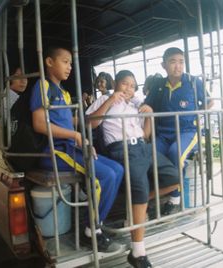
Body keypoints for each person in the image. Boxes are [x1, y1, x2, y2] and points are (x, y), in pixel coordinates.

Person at [30, 46, 123, 252]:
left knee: (117, 169)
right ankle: (92, 231)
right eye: (65, 61)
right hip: (54, 151)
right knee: (106, 176)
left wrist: (87, 120)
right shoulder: (43, 85)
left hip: (69, 148)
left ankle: (97, 223)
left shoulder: (63, 92)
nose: (69, 67)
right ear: (49, 62)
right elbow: (39, 123)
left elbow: (68, 121)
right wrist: (76, 135)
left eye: (71, 63)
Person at [86, 70, 180, 268]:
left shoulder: (135, 104)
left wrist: (148, 116)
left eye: (132, 85)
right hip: (123, 148)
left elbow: (146, 135)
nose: (129, 88)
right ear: (116, 84)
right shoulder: (105, 98)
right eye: (125, 84)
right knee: (140, 189)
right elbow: (91, 123)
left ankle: (137, 205)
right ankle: (138, 252)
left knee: (175, 177)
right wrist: (111, 100)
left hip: (143, 147)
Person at [142, 47, 213, 215]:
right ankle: (155, 195)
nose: (178, 66)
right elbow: (148, 104)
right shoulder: (158, 85)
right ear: (164, 65)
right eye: (173, 62)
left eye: (181, 62)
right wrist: (146, 108)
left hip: (187, 132)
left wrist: (197, 116)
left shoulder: (194, 82)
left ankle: (175, 197)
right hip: (163, 133)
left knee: (175, 153)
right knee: (149, 156)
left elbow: (209, 102)